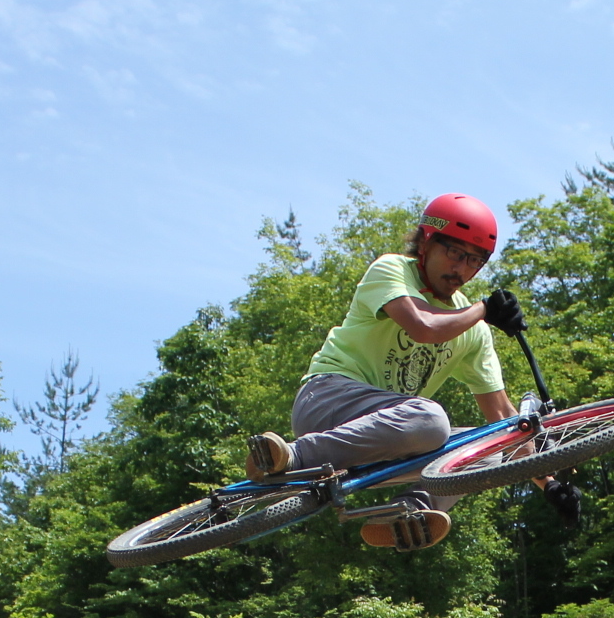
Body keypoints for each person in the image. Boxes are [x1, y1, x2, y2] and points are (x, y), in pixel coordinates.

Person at [245, 192, 582, 550]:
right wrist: (483, 309)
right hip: (327, 402)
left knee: (492, 447)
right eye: (454, 253)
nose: (462, 270)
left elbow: (504, 418)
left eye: (475, 261)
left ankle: (411, 511)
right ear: (426, 242)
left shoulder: (473, 330)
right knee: (430, 419)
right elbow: (423, 327)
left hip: (386, 440)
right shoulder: (392, 271)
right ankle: (290, 457)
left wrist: (549, 484)